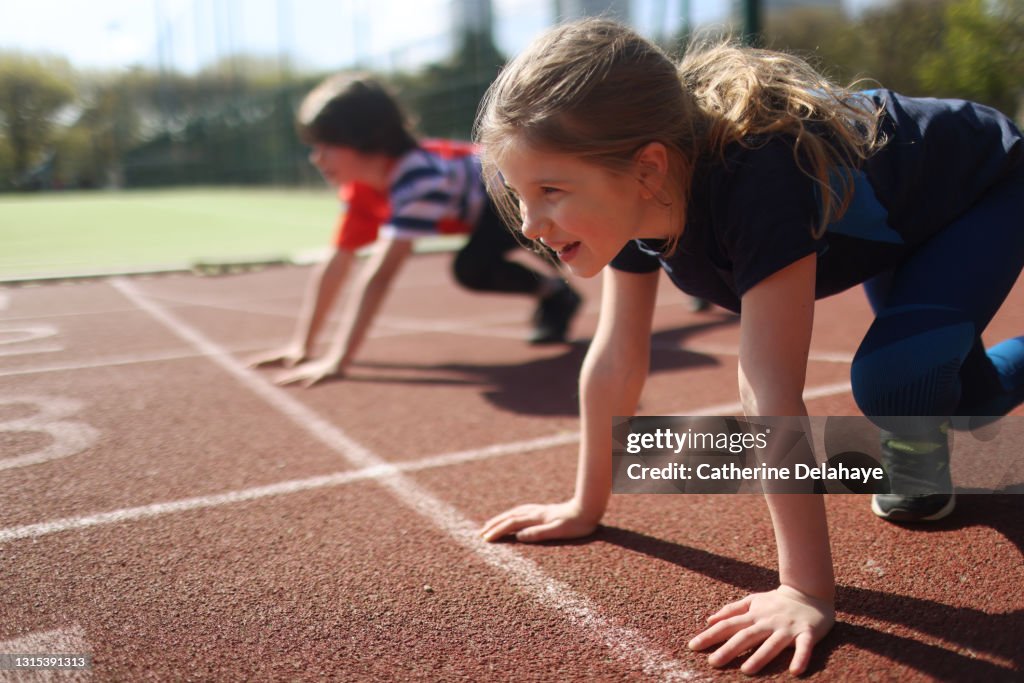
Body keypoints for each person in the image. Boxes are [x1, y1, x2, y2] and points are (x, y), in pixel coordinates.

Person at [474, 18, 1024, 675]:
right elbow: (618, 356)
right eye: (518, 194)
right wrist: (584, 504)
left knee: (895, 382)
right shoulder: (641, 194)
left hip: (983, 187)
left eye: (551, 192)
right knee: (954, 394)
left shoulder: (757, 176)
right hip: (901, 216)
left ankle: (919, 430)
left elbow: (765, 385)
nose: (531, 226)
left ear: (646, 166)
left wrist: (806, 589)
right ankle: (934, 427)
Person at [250, 74, 582, 386]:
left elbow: (379, 277)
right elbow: (337, 263)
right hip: (481, 209)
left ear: (363, 139)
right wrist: (302, 346)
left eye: (326, 146)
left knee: (483, 264)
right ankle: (556, 294)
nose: (316, 158)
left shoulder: (415, 178)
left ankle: (566, 289)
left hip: (505, 193)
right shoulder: (361, 189)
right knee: (477, 267)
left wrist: (338, 359)